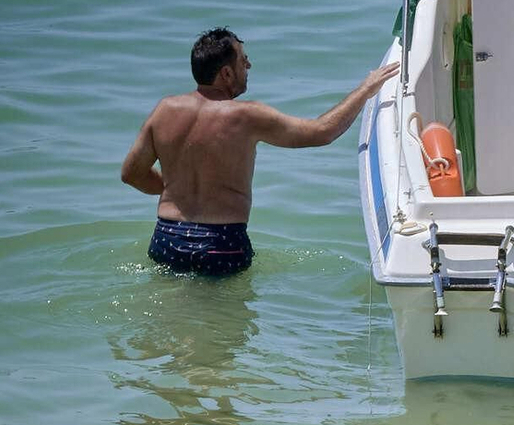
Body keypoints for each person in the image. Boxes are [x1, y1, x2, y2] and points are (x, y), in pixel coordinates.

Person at [121, 30, 397, 276]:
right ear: (226, 73)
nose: (249, 65)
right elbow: (321, 132)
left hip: (168, 237)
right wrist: (366, 89)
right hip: (222, 244)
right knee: (223, 331)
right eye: (243, 60)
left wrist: (176, 192)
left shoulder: (165, 110)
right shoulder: (247, 115)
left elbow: (131, 173)